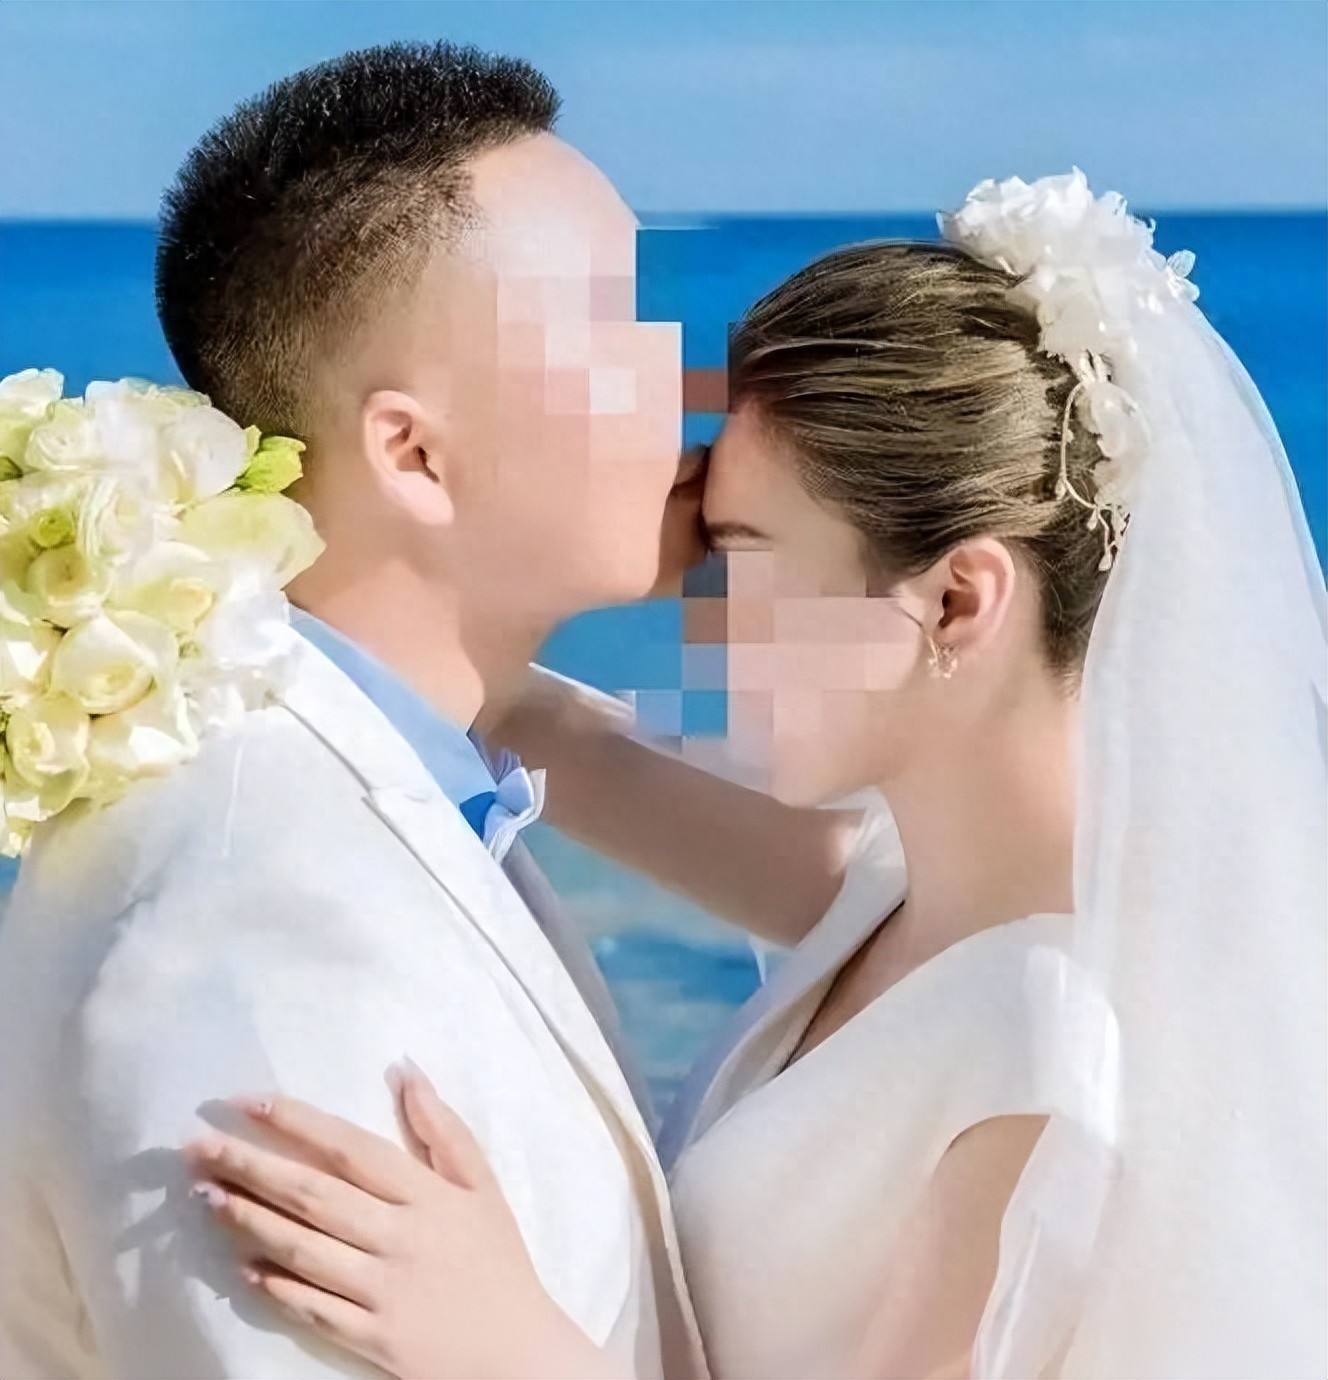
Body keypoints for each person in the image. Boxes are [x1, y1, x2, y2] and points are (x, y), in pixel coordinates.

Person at [184, 175, 1326, 1379]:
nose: (700, 617)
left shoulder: (1053, 1057)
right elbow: (522, 718)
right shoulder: (900, 884)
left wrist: (510, 1343)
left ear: (955, 599)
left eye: (742, 558)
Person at [0, 39, 785, 1380]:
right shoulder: (262, 928)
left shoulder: (397, 781)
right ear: (412, 453)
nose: (689, 385)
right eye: (614, 330)